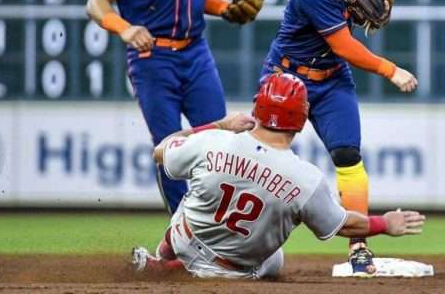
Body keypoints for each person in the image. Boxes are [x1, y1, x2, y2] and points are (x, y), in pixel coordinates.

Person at [86, 0, 263, 214]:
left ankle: (218, 226)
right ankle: (182, 235)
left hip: (196, 54)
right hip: (153, 59)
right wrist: (125, 28)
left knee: (221, 143)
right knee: (172, 148)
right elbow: (96, 2)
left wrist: (226, 7)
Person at [131, 72, 426, 279]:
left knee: (192, 198)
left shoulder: (215, 141)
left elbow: (161, 151)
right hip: (232, 272)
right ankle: (175, 267)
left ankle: (166, 258)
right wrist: (385, 223)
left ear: (257, 108)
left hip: (185, 239)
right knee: (275, 258)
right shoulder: (305, 179)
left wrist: (219, 125)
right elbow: (344, 225)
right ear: (300, 120)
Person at [258, 0, 418, 276]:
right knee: (260, 163)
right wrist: (390, 69)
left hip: (330, 80)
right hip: (286, 80)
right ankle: (245, 239)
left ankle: (359, 246)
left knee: (348, 155)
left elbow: (344, 47)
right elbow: (345, 45)